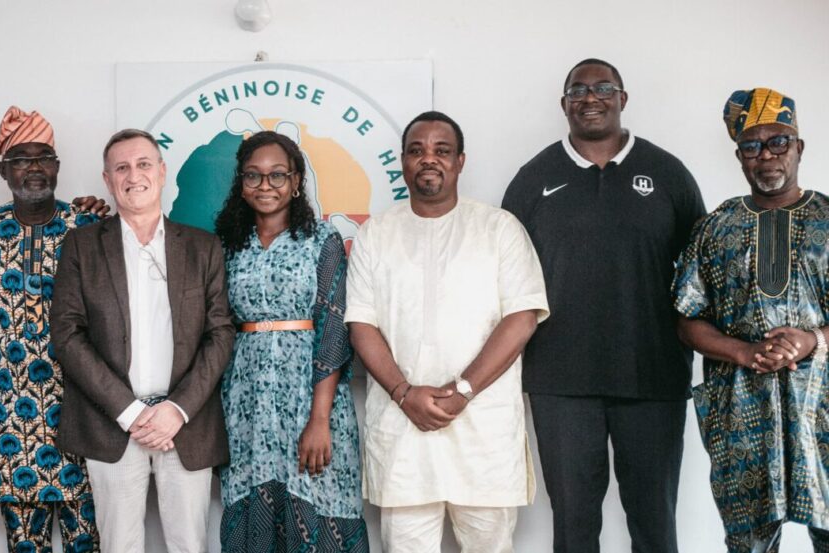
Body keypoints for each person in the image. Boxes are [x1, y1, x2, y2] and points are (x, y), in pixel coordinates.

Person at [501, 59, 706, 553]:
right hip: (560, 381)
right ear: (564, 104)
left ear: (622, 98)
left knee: (654, 524)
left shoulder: (667, 173)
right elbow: (504, 275)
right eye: (578, 90)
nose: (590, 97)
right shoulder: (534, 178)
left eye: (603, 88)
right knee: (573, 527)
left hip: (652, 375)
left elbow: (702, 270)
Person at [346, 111, 549, 552]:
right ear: (403, 161)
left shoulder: (499, 229)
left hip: (483, 433)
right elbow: (361, 324)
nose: (429, 159)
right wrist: (404, 393)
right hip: (403, 434)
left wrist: (463, 390)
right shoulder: (375, 234)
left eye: (442, 150)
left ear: (460, 161)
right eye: (416, 150)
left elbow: (521, 318)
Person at [51, 129, 235, 553]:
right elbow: (67, 333)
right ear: (107, 179)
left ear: (162, 172)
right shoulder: (81, 246)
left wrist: (177, 409)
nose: (134, 176)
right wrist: (130, 412)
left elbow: (220, 333)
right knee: (119, 546)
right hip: (111, 425)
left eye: (144, 164)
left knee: (190, 546)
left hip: (185, 425)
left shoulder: (203, 247)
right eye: (122, 168)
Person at [673, 87, 829, 552]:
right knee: (749, 544)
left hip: (821, 407)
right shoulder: (715, 228)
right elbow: (687, 318)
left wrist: (813, 340)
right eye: (752, 146)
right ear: (739, 156)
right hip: (742, 412)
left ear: (799, 147)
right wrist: (744, 351)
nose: (767, 156)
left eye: (779, 142)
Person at [213, 131, 369, 552]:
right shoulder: (226, 244)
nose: (265, 185)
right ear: (241, 183)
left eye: (278, 175)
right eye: (254, 175)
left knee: (317, 499)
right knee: (253, 508)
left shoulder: (322, 240)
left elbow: (333, 327)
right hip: (245, 401)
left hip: (310, 398)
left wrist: (319, 419)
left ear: (296, 180)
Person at [0, 106, 101, 553]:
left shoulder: (85, 225)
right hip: (9, 415)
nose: (34, 167)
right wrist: (3, 375)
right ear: (3, 170)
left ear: (58, 166)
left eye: (44, 157)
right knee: (24, 544)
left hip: (80, 412)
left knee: (87, 542)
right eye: (21, 159)